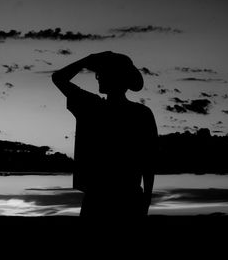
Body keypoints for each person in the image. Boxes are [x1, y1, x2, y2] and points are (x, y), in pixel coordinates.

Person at [51, 51, 158, 220]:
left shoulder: (91, 107)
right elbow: (148, 162)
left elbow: (59, 78)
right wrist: (146, 199)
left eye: (101, 74)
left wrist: (87, 60)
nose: (98, 77)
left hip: (100, 198)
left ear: (114, 77)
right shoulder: (141, 113)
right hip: (126, 197)